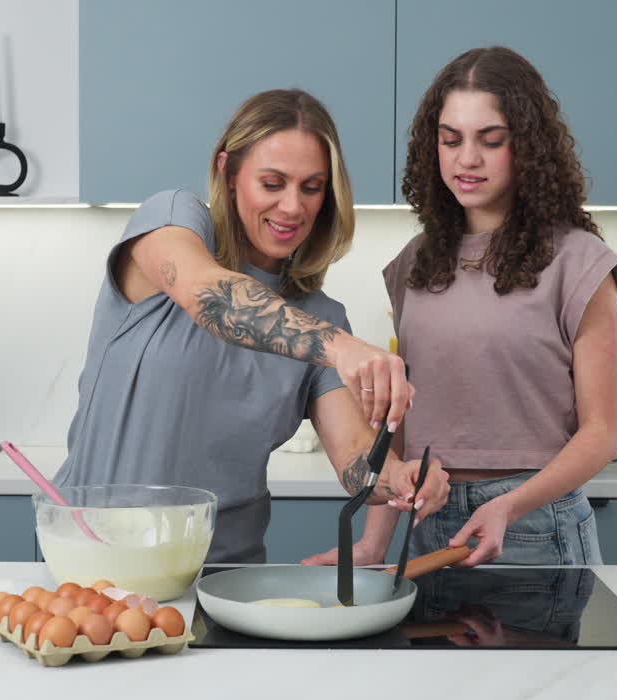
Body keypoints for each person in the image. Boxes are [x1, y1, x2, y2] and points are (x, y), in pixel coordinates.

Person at [53, 89, 449, 563]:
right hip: (94, 559)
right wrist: (342, 348)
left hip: (224, 572)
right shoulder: (172, 221)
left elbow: (356, 460)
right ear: (229, 172)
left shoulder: (322, 316)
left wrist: (399, 478)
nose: (292, 207)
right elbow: (209, 293)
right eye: (272, 183)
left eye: (311, 187)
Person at [305, 47, 617, 568]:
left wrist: (509, 506)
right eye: (450, 140)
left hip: (534, 528)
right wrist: (372, 544)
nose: (466, 159)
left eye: (490, 140)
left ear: (528, 146)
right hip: (427, 525)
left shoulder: (580, 263)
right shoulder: (415, 264)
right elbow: (402, 427)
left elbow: (602, 433)